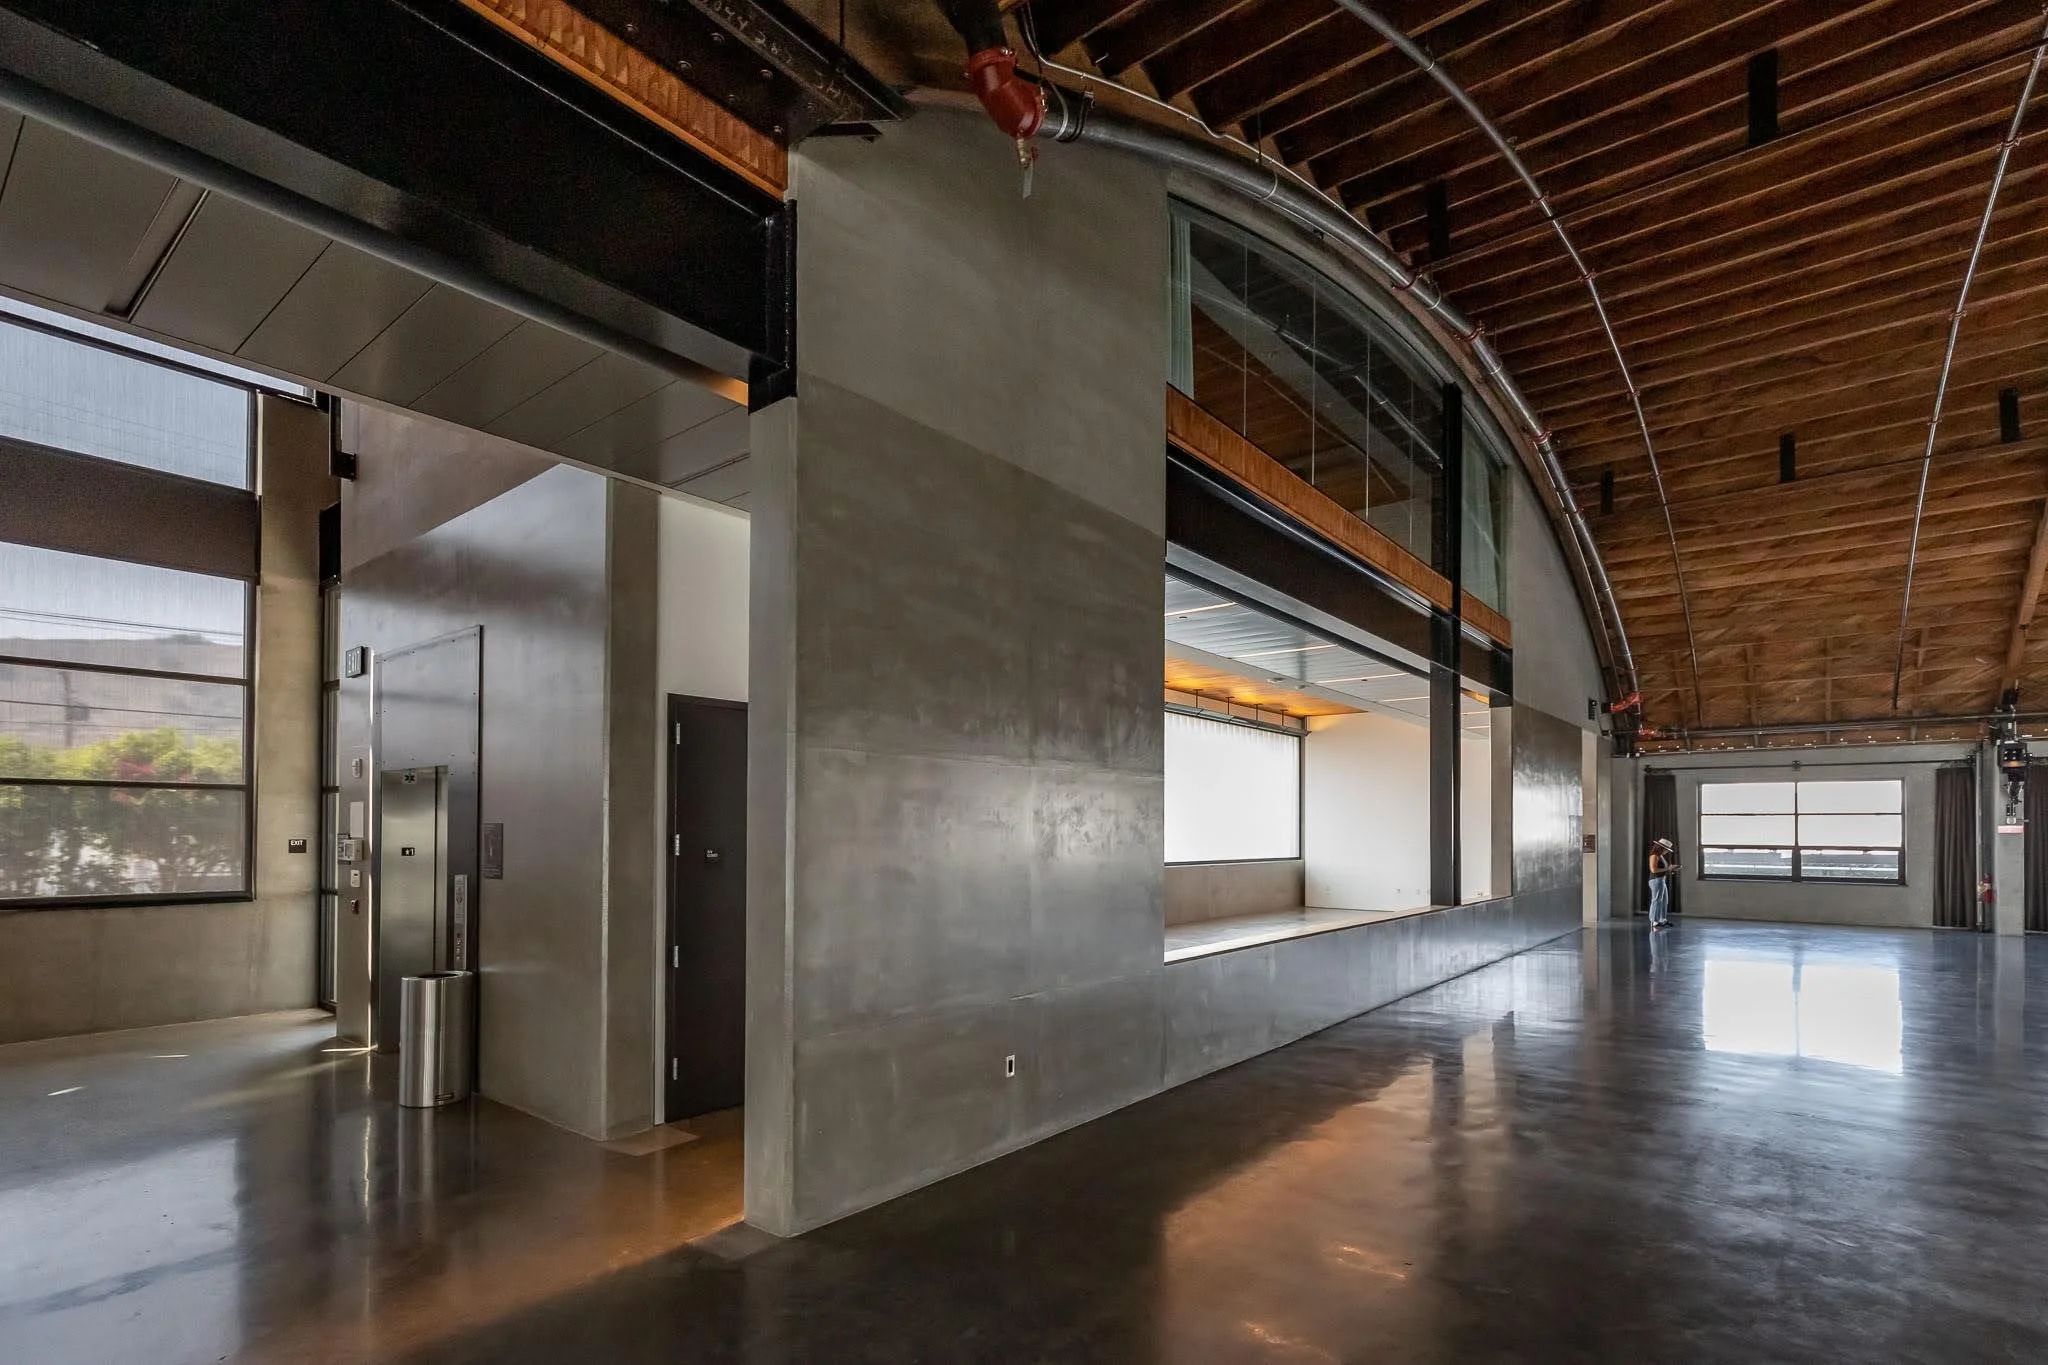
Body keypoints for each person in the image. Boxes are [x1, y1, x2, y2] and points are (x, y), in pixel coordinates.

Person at [1647, 837, 1677, 929]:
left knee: (1664, 901)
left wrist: (1670, 869)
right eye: (1666, 849)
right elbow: (1654, 870)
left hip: (1661, 880)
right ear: (1661, 848)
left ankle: (1662, 919)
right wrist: (1668, 869)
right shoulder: (1654, 856)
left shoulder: (1660, 856)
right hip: (1656, 880)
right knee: (1656, 900)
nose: (1667, 851)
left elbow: (1664, 869)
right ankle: (1654, 921)